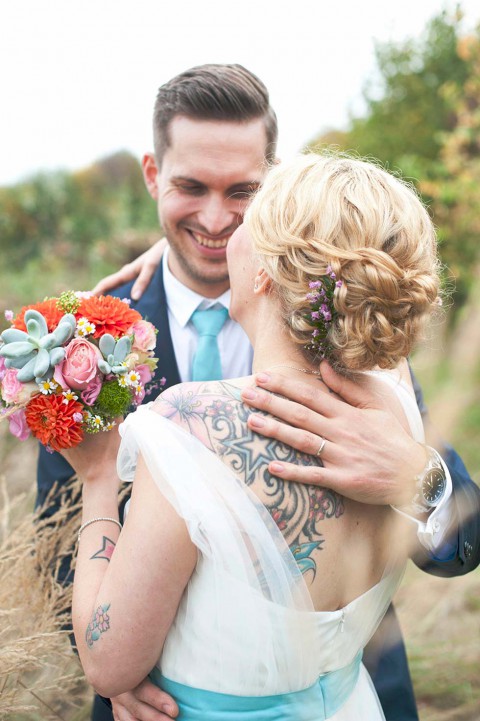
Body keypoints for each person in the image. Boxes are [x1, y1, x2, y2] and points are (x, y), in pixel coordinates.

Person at [38, 65, 480, 721]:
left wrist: (419, 476)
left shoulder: (367, 349)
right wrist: (117, 669)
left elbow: (462, 535)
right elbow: (54, 536)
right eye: (192, 187)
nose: (217, 221)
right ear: (154, 176)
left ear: (272, 194)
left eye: (242, 194)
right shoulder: (89, 336)